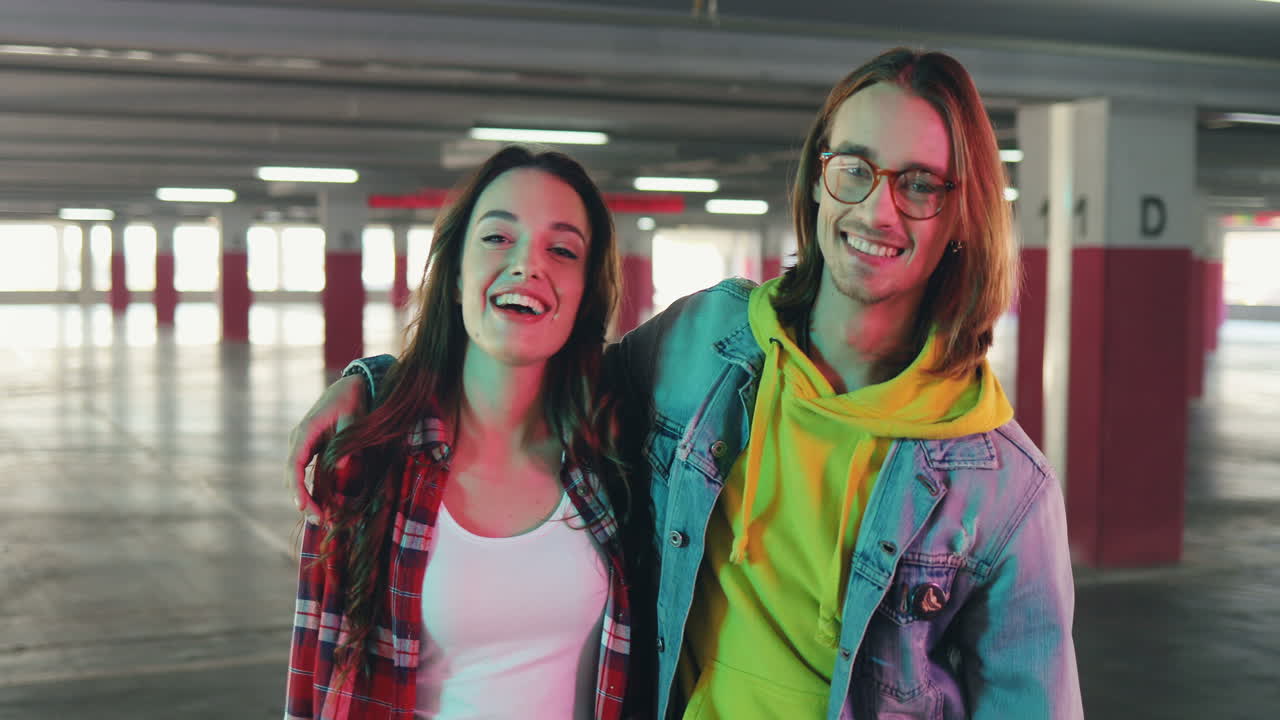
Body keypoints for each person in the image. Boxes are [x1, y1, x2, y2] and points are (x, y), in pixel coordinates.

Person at [291, 47, 1082, 719]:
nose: (878, 209)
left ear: (960, 216)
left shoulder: (1005, 492)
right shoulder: (708, 344)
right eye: (856, 169)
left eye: (919, 184)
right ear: (816, 180)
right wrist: (380, 383)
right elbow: (540, 364)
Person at [284, 146, 643, 720]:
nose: (529, 265)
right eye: (498, 238)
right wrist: (368, 381)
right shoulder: (367, 457)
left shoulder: (613, 457)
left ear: (584, 297)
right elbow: (315, 681)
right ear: (454, 276)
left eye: (562, 249)